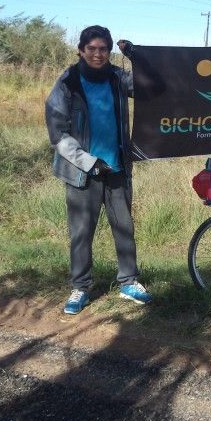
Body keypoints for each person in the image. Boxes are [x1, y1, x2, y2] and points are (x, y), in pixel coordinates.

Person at [45, 25, 151, 315]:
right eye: (91, 48)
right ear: (81, 50)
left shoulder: (117, 78)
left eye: (103, 49)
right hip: (82, 173)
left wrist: (135, 56)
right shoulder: (69, 82)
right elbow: (58, 134)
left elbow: (150, 85)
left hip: (117, 167)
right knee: (81, 232)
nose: (97, 54)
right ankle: (80, 287)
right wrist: (90, 162)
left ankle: (129, 282)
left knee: (124, 227)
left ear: (109, 51)